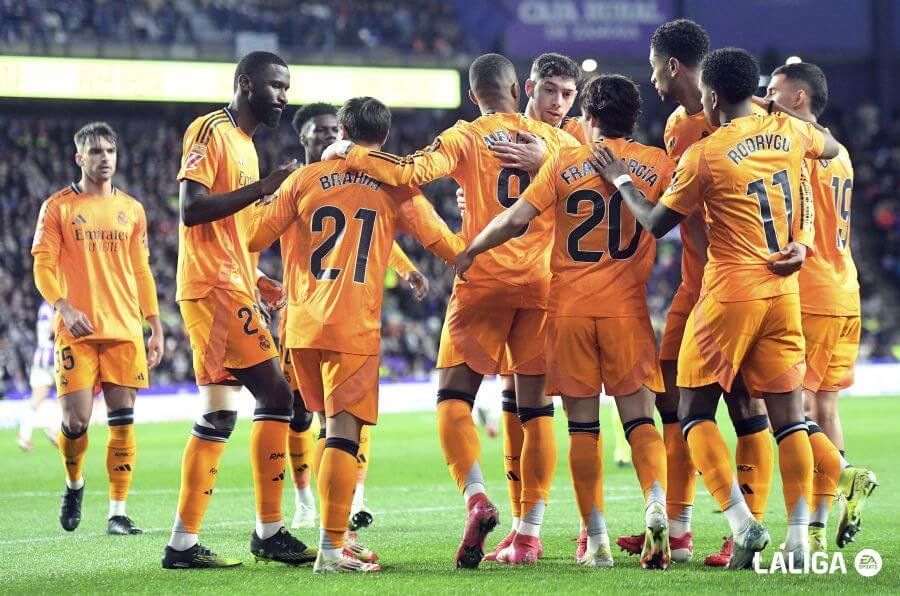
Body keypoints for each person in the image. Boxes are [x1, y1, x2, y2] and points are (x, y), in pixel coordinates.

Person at [323, 53, 580, 567]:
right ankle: (528, 535)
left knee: (453, 399)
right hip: (542, 287)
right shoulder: (560, 142)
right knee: (535, 412)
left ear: (473, 95)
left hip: (483, 281)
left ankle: (477, 496)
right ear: (519, 88)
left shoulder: (465, 136)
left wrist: (349, 150)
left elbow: (412, 172)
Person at [592, 47, 841, 568]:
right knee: (790, 419)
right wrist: (804, 238)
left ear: (711, 93)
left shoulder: (704, 152)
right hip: (783, 293)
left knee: (692, 410)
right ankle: (797, 538)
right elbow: (831, 148)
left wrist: (620, 180)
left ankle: (740, 522)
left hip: (728, 289)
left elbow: (657, 223)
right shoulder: (792, 131)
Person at [455, 74, 675, 570]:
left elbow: (514, 219)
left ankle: (595, 542)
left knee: (583, 430)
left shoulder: (564, 160)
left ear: (589, 119)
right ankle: (655, 502)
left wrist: (469, 250)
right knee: (640, 420)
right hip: (628, 311)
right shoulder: (658, 164)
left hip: (570, 310)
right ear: (633, 118)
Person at [247, 96, 464, 573]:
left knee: (327, 431)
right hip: (352, 327)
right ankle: (329, 550)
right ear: (384, 139)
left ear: (341, 129)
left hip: (300, 326)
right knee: (345, 436)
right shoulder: (394, 184)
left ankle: (337, 536)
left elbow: (253, 239)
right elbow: (448, 247)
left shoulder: (303, 179)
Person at [617, 19, 773, 567]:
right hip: (693, 281)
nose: (653, 77)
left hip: (740, 282)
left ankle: (745, 529)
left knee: (744, 403)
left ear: (674, 66)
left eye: (656, 66)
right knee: (671, 399)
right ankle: (678, 530)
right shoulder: (678, 127)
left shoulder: (752, 118)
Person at [162, 51, 315, 569]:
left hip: (232, 283)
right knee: (277, 392)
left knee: (219, 414)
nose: (283, 96)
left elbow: (234, 235)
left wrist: (259, 279)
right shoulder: (211, 130)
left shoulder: (246, 145)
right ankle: (270, 531)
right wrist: (265, 187)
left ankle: (182, 544)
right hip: (213, 286)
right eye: (275, 86)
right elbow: (191, 209)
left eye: (286, 87)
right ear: (246, 84)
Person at [287, 103, 431, 531]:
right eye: (320, 131)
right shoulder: (299, 182)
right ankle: (306, 503)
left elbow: (374, 235)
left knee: (341, 421)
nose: (330, 137)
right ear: (305, 138)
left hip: (333, 313)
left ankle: (349, 505)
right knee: (311, 419)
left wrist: (405, 267)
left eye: (335, 129)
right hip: (303, 309)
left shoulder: (329, 182)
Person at [31, 121, 164, 536]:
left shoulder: (134, 209)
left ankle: (118, 512)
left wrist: (155, 325)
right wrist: (64, 307)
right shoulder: (58, 207)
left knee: (123, 420)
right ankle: (74, 484)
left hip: (124, 328)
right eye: (96, 151)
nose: (104, 158)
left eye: (110, 150)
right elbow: (42, 267)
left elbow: (142, 271)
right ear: (79, 158)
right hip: (78, 330)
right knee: (76, 422)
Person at [765, 62, 877, 551]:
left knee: (786, 410)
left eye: (773, 91)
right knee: (824, 407)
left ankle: (844, 474)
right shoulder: (842, 152)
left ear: (798, 98)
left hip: (809, 293)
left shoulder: (800, 150)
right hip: (845, 290)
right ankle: (814, 525)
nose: (766, 99)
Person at [17, 300, 60, 452]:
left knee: (36, 399)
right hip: (54, 357)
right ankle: (53, 428)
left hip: (40, 356)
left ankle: (24, 436)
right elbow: (53, 329)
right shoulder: (53, 306)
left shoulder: (43, 306)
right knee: (66, 396)